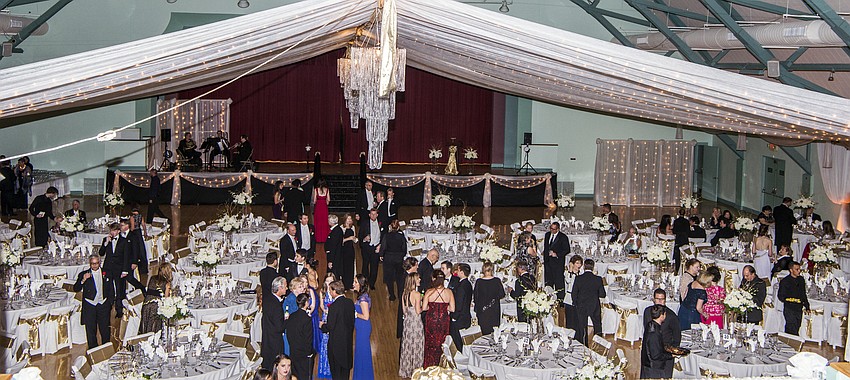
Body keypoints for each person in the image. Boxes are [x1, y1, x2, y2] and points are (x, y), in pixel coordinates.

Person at [73, 254, 115, 349]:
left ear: (99, 263)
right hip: (90, 306)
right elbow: (76, 288)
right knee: (91, 330)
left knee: (105, 329)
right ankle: (93, 350)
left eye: (96, 263)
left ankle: (106, 348)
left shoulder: (107, 273)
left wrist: (110, 303)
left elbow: (111, 289)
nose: (94, 266)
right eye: (92, 264)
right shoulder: (83, 274)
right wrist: (83, 280)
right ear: (90, 264)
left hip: (103, 304)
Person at [320, 280, 355, 380]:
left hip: (336, 345)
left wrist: (322, 325)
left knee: (336, 374)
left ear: (335, 291)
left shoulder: (334, 307)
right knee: (345, 373)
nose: (330, 293)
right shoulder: (350, 303)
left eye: (330, 290)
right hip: (347, 343)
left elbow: (330, 326)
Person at [422, 270, 454, 368]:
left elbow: (424, 308)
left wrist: (431, 308)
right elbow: (452, 309)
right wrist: (444, 308)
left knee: (431, 342)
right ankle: (442, 365)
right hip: (444, 319)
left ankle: (430, 365)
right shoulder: (449, 292)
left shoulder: (429, 292)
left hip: (431, 318)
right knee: (442, 341)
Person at [572, 259, 606, 345]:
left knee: (582, 327)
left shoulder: (578, 278)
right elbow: (602, 294)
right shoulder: (598, 279)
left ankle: (583, 345)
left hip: (581, 305)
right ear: (593, 267)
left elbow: (574, 293)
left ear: (583, 267)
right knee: (597, 325)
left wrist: (575, 303)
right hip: (594, 305)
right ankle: (598, 345)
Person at [399, 273, 424, 378]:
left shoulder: (404, 293)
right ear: (414, 281)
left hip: (408, 323)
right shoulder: (417, 294)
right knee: (416, 346)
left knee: (407, 346)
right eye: (418, 278)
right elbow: (418, 311)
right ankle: (416, 370)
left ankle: (406, 369)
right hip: (416, 323)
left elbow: (404, 310)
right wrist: (424, 307)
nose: (420, 280)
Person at [284, 293, 314, 380]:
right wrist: (309, 353)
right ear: (306, 303)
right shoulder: (307, 319)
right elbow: (308, 338)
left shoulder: (292, 316)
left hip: (293, 351)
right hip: (304, 354)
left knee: (295, 375)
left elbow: (289, 333)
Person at [640, 305, 675, 379]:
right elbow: (655, 355)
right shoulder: (654, 333)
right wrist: (671, 355)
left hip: (648, 365)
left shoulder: (650, 325)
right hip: (654, 368)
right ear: (661, 316)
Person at [377, 219, 407, 301]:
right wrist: (401, 255)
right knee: (399, 278)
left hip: (388, 259)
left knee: (389, 278)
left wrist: (381, 255)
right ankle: (400, 294)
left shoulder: (386, 236)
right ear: (398, 227)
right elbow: (404, 249)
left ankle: (392, 295)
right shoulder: (401, 237)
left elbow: (383, 247)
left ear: (390, 226)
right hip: (398, 259)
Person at [262, 277, 288, 370]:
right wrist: (287, 320)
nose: (287, 288)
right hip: (275, 341)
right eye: (285, 286)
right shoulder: (276, 306)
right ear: (280, 288)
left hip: (267, 337)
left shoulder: (268, 299)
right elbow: (280, 327)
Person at [473, 262, 505, 335]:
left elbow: (475, 297)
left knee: (484, 331)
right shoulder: (496, 281)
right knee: (494, 331)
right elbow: (502, 294)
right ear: (492, 270)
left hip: (482, 310)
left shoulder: (479, 282)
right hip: (494, 310)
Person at [778, 261, 810, 335]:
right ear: (791, 270)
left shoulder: (801, 280)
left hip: (798, 307)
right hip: (789, 308)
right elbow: (781, 296)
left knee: (797, 325)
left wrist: (807, 306)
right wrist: (789, 300)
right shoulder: (785, 281)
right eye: (797, 269)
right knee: (791, 327)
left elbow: (803, 294)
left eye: (799, 269)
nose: (799, 271)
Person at [352, 275, 374, 379]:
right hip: (360, 327)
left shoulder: (363, 299)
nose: (353, 284)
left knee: (362, 351)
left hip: (363, 328)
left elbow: (366, 316)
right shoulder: (361, 296)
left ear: (360, 284)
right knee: (360, 352)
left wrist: (355, 314)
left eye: (355, 282)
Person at [317, 273, 337, 380]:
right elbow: (321, 305)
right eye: (327, 281)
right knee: (325, 343)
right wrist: (325, 310)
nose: (329, 283)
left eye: (331, 281)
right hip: (325, 317)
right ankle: (324, 369)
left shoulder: (336, 292)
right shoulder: (322, 292)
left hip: (334, 319)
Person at [543, 221, 570, 301]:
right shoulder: (547, 235)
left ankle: (560, 299)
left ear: (558, 229)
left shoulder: (563, 237)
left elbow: (567, 250)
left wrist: (557, 254)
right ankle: (549, 297)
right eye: (551, 228)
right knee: (548, 281)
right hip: (548, 262)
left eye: (554, 229)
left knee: (559, 282)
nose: (552, 230)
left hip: (558, 263)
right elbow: (546, 247)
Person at [450, 263, 473, 353]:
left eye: (458, 270)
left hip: (460, 318)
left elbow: (459, 304)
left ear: (462, 272)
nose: (456, 272)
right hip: (466, 316)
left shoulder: (461, 287)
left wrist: (454, 317)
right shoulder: (468, 284)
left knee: (457, 341)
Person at [283, 277, 307, 355]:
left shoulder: (299, 298)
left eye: (303, 286)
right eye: (300, 287)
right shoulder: (291, 299)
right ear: (293, 289)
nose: (303, 288)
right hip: (291, 330)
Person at [358, 209, 381, 288]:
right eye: (372, 214)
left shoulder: (380, 223)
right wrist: (364, 239)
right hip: (366, 247)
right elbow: (360, 235)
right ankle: (364, 283)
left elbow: (384, 236)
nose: (373, 216)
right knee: (365, 266)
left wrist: (380, 245)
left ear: (377, 215)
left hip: (376, 248)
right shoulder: (364, 223)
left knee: (374, 267)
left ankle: (372, 283)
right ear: (369, 215)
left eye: (375, 214)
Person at [563, 255, 583, 332]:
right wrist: (570, 270)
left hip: (578, 298)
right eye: (577, 263)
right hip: (569, 298)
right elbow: (568, 281)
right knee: (570, 319)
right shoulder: (567, 273)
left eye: (580, 263)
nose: (579, 265)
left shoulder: (581, 273)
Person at [129, 208, 149, 275]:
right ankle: (144, 269)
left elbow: (132, 227)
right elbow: (143, 225)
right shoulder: (140, 216)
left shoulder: (132, 217)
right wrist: (145, 232)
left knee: (135, 248)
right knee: (141, 249)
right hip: (139, 233)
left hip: (134, 233)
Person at [340, 214, 358, 289]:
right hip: (344, 250)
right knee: (344, 266)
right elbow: (340, 241)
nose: (349, 220)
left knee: (351, 266)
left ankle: (350, 283)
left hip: (350, 249)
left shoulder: (353, 227)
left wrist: (354, 239)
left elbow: (355, 238)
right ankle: (344, 284)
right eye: (348, 219)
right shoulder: (341, 228)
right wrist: (349, 238)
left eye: (350, 219)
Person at [312, 179, 330, 243]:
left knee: (318, 222)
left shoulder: (316, 190)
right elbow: (328, 200)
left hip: (318, 207)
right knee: (324, 222)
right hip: (324, 207)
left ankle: (318, 238)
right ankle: (325, 238)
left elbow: (314, 201)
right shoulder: (327, 190)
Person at [672, 208, 690, 273]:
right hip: (685, 239)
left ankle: (677, 268)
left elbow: (674, 231)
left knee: (677, 254)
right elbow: (688, 231)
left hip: (678, 239)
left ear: (679, 213)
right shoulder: (687, 221)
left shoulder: (676, 221)